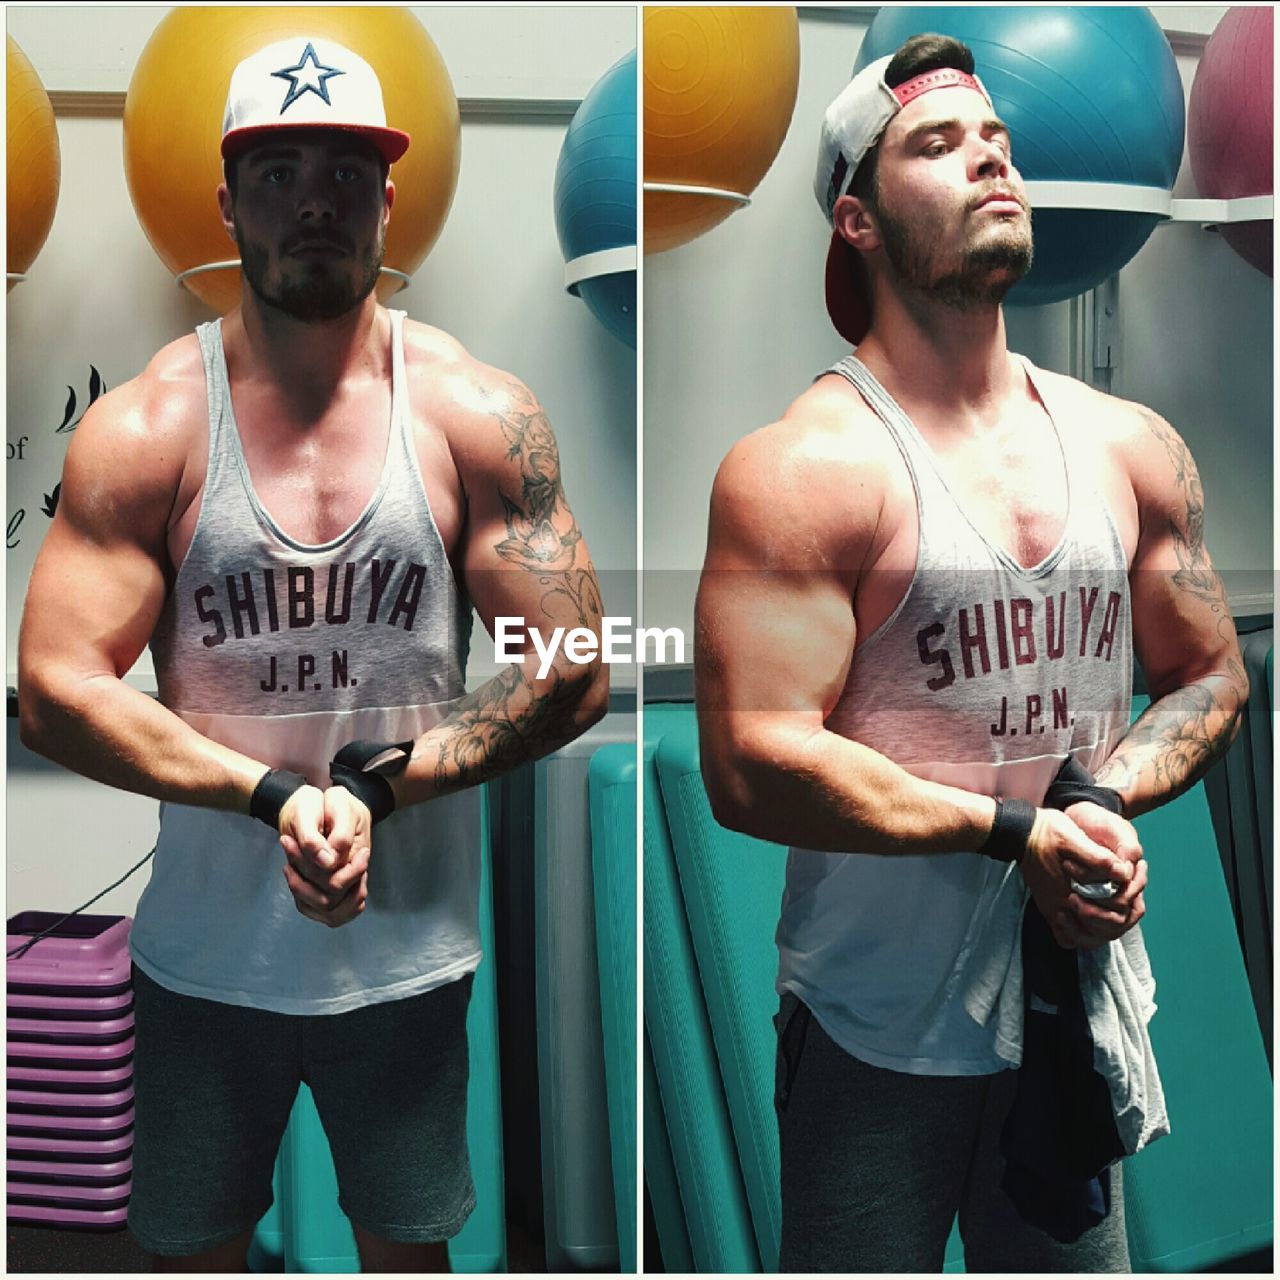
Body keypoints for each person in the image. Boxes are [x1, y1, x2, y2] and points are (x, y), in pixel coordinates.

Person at [18, 35, 608, 1274]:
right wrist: (277, 795)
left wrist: (383, 786)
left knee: (407, 1248)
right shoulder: (149, 429)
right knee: (192, 1249)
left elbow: (571, 666)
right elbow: (56, 690)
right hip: (201, 959)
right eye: (277, 171)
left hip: (405, 957)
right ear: (229, 199)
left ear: (388, 195)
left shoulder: (471, 411)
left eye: (343, 169)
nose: (313, 201)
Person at [693, 33, 1247, 1274]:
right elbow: (749, 765)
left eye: (994, 140)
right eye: (937, 145)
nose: (989, 158)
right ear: (857, 219)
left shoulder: (1127, 445)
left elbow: (1208, 675)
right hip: (872, 1032)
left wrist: (1096, 803)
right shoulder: (802, 470)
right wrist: (1014, 831)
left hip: (1064, 1005)